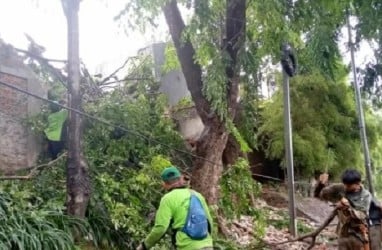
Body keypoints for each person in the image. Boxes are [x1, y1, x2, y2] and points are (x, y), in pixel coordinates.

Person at [136, 166, 214, 250]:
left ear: (165, 184)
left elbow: (161, 228)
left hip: (186, 246)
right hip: (207, 245)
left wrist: (144, 246)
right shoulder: (197, 195)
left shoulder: (167, 199)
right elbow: (210, 222)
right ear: (180, 179)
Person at [314, 169, 372, 250]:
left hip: (358, 233)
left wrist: (347, 207)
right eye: (344, 184)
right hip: (343, 232)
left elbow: (361, 215)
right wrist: (320, 184)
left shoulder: (365, 195)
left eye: (348, 186)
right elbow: (320, 195)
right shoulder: (340, 188)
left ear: (358, 183)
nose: (345, 187)